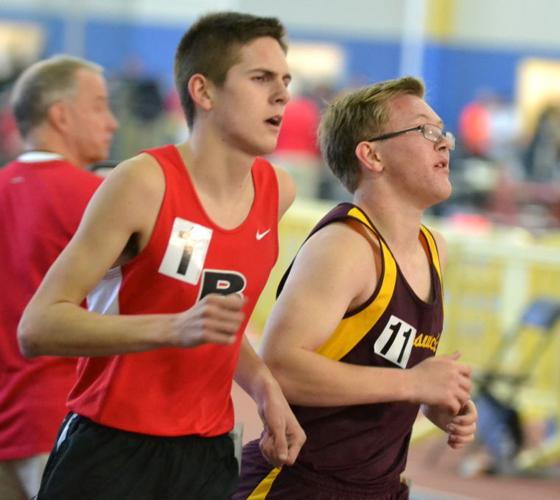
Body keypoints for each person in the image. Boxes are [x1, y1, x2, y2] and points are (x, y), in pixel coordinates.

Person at [18, 12, 305, 500]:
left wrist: (263, 386)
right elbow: (38, 326)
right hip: (111, 448)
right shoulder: (141, 183)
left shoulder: (278, 191)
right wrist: (172, 327)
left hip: (207, 453)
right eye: (260, 79)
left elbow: (216, 317)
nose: (281, 95)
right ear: (204, 91)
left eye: (285, 81)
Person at [234, 77, 478, 499]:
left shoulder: (434, 249)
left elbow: (380, 364)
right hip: (301, 483)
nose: (446, 144)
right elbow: (282, 366)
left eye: (445, 131)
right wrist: (412, 386)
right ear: (372, 155)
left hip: (379, 487)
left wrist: (431, 400)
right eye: (427, 131)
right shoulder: (346, 246)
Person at [0, 55, 118, 500]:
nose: (112, 121)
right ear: (60, 115)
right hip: (64, 421)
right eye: (100, 106)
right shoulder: (100, 200)